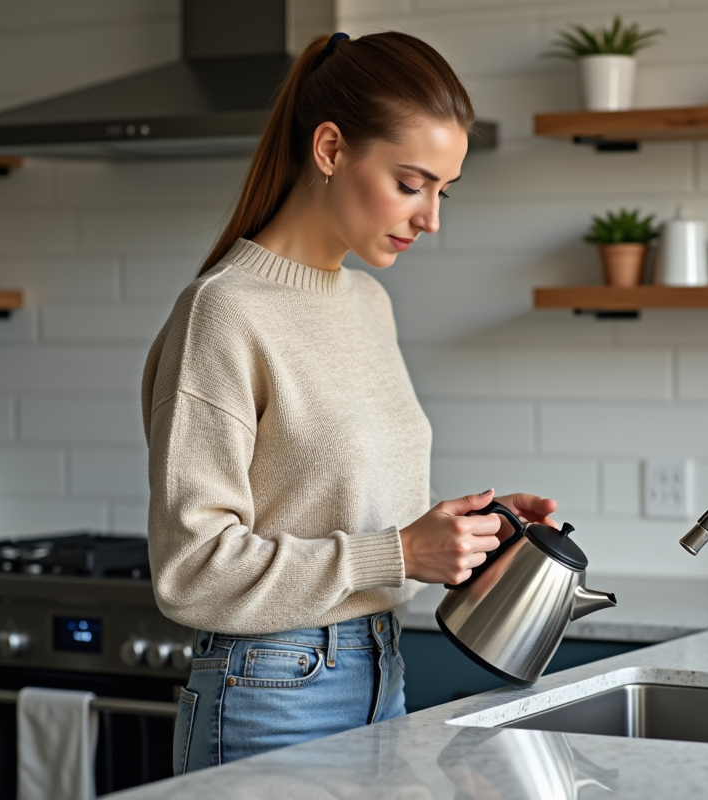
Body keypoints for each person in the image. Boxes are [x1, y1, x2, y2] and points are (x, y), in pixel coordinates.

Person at [141, 31, 558, 775]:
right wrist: (399, 552)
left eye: (443, 190)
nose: (432, 217)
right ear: (330, 149)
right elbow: (192, 569)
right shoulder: (223, 312)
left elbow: (335, 502)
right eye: (411, 183)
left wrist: (470, 535)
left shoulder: (368, 302)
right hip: (273, 691)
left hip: (382, 672)